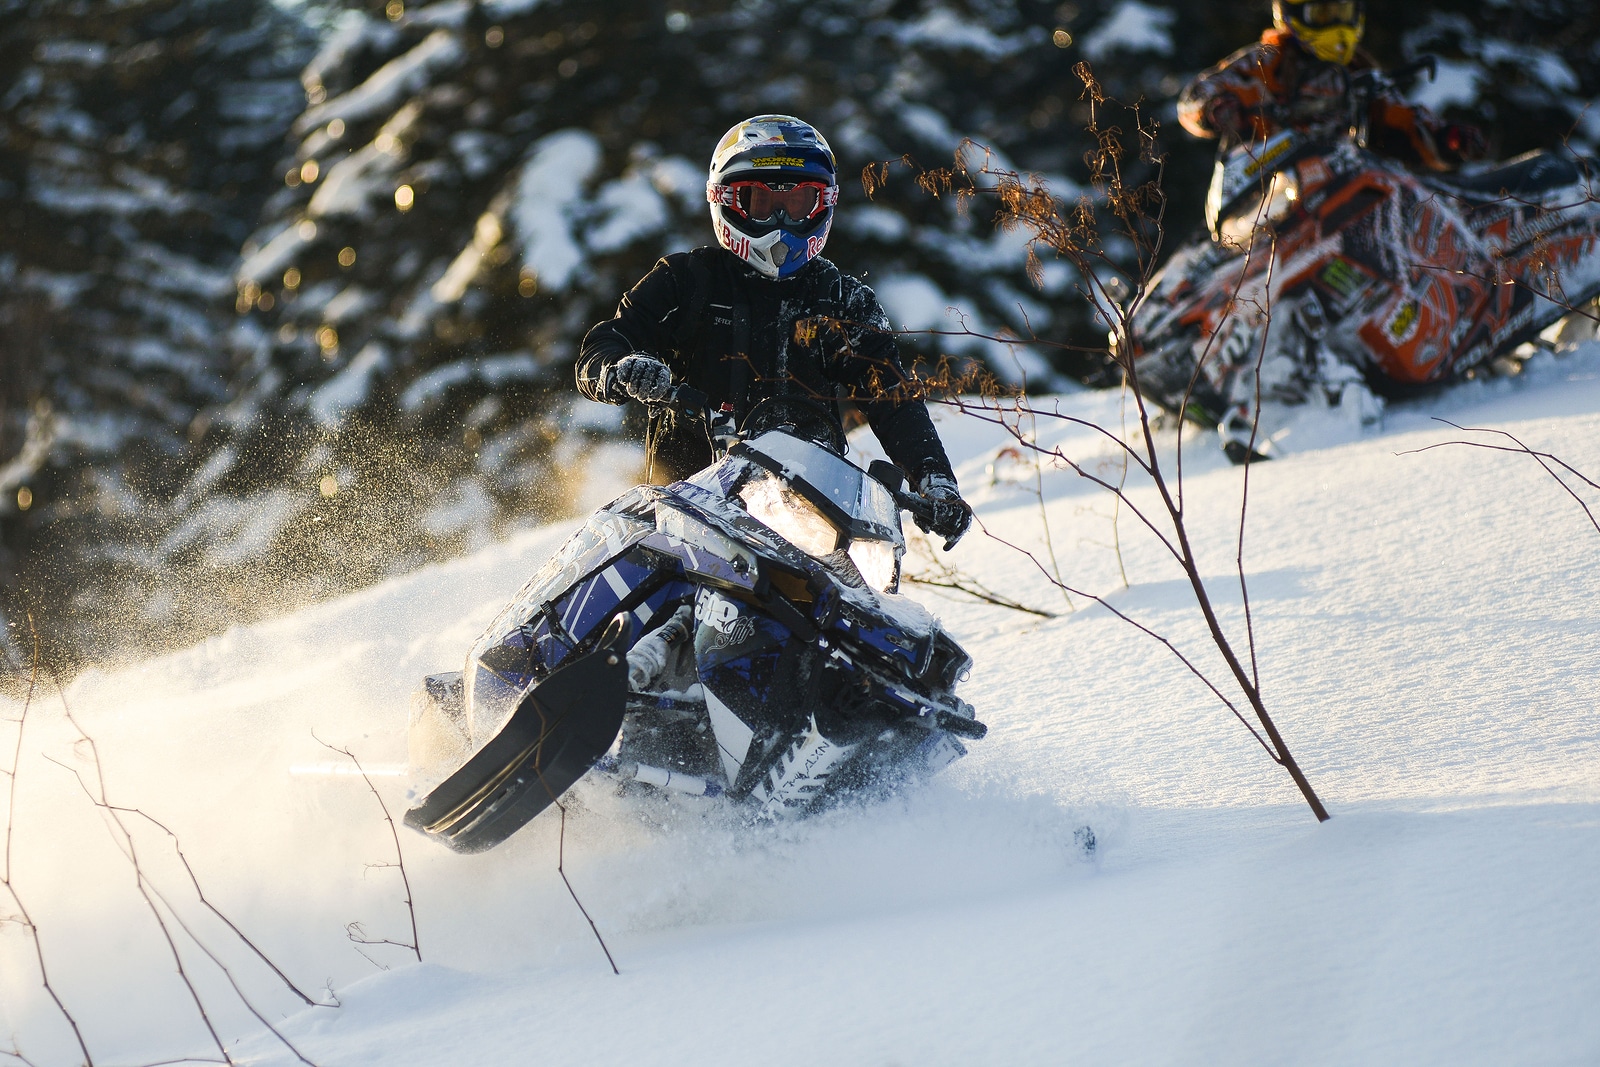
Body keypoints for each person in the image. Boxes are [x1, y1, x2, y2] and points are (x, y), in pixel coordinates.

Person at [576, 114, 972, 549]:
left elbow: (892, 399)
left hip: (812, 525)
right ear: (726, 200)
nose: (780, 220)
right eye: (761, 202)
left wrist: (935, 480)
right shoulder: (685, 280)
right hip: (685, 521)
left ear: (824, 204)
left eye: (798, 203)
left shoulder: (843, 300)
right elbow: (606, 343)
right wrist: (624, 368)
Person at [1178, 1, 1485, 172]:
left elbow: (1404, 118)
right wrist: (1216, 107)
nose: (1337, 26)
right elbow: (1197, 96)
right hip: (1267, 187)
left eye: (1343, 14)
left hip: (1343, 189)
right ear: (1293, 15)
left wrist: (1448, 138)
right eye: (1324, 14)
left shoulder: (1359, 71)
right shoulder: (1267, 59)